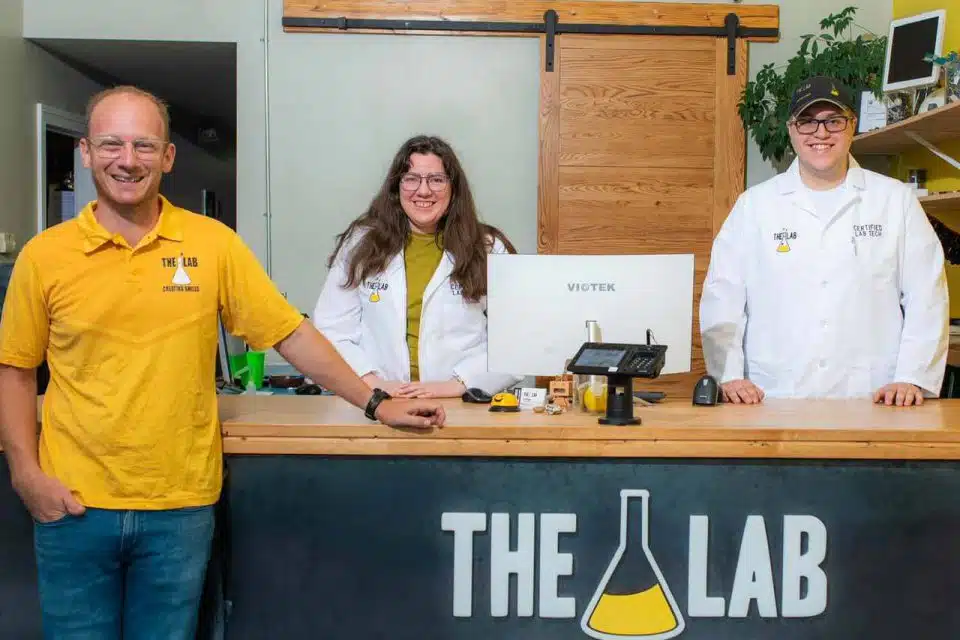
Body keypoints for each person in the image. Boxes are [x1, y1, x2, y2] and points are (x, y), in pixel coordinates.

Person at [0, 86, 444, 639]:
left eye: (144, 145)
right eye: (112, 144)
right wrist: (26, 475)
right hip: (72, 508)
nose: (127, 160)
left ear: (167, 157)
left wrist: (376, 404)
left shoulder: (213, 245)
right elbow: (16, 370)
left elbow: (291, 334)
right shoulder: (45, 257)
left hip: (179, 510)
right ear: (86, 152)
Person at [700, 76, 949, 407]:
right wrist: (728, 373)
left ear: (852, 126)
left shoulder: (894, 200)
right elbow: (723, 294)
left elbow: (926, 295)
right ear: (791, 129)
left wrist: (912, 376)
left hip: (875, 395)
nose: (820, 133)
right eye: (807, 122)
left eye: (833, 121)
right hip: (773, 395)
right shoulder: (755, 206)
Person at [313, 135, 523, 398]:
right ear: (396, 187)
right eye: (411, 179)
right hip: (377, 402)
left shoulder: (488, 248)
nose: (423, 191)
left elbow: (517, 336)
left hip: (461, 403)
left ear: (453, 189)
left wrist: (456, 385)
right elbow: (331, 329)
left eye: (436, 180)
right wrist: (373, 382)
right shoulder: (362, 244)